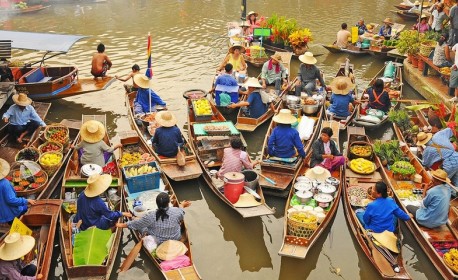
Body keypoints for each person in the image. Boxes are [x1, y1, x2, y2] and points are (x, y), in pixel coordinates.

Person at [116, 192, 190, 245]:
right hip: (176, 238)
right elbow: (182, 211)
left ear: (157, 204)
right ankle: (135, 218)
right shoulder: (176, 211)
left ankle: (134, 217)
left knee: (139, 223)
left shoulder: (151, 216)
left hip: (158, 242)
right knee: (141, 221)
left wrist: (121, 225)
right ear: (168, 203)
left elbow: (136, 224)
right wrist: (182, 205)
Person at [0, 158, 36, 224]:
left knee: (11, 222)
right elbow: (11, 200)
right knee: (17, 223)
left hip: (2, 213)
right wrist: (26, 200)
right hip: (11, 212)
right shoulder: (4, 183)